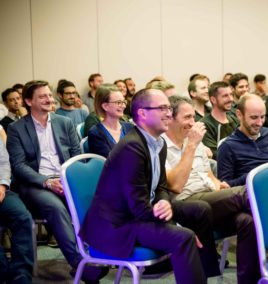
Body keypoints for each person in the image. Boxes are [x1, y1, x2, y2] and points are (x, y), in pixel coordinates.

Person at [80, 88, 221, 284]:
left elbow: (162, 186)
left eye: (169, 108)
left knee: (198, 211)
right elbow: (137, 208)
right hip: (118, 225)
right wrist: (175, 223)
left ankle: (205, 275)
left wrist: (164, 202)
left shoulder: (157, 143)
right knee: (184, 236)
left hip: (139, 213)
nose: (169, 114)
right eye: (162, 108)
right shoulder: (132, 148)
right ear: (142, 113)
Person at [6, 80, 108, 282]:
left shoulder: (64, 122)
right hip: (36, 184)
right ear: (28, 101)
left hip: (65, 179)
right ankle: (80, 263)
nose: (49, 99)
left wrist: (68, 180)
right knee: (55, 207)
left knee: (92, 201)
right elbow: (19, 165)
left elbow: (77, 155)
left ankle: (97, 256)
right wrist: (46, 182)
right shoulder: (17, 128)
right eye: (42, 96)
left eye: (50, 95)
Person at [163, 95, 260, 284]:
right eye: (187, 118)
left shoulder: (195, 142)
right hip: (184, 203)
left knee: (246, 220)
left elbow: (209, 174)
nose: (193, 123)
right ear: (170, 118)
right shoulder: (161, 146)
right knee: (247, 193)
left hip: (209, 198)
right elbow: (175, 186)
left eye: (193, 117)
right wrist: (191, 145)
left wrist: (218, 185)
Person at [218, 94, 268, 186]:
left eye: (262, 117)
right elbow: (225, 187)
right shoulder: (228, 147)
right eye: (254, 117)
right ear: (239, 115)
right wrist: (257, 175)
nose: (259, 123)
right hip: (251, 193)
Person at [0, 139, 33, 284]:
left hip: (1, 192)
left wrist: (2, 185)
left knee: (22, 216)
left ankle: (21, 275)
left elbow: (3, 162)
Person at [88, 84, 133, 157]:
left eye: (124, 102)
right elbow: (109, 161)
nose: (124, 106)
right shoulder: (95, 133)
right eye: (119, 102)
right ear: (105, 106)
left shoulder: (130, 127)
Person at [201, 81, 238, 159]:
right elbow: (216, 154)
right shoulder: (204, 125)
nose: (231, 99)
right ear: (213, 100)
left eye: (231, 94)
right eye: (225, 96)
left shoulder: (235, 120)